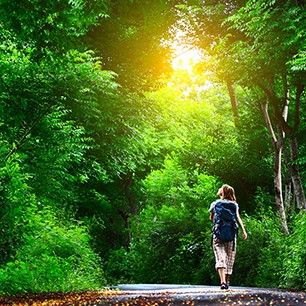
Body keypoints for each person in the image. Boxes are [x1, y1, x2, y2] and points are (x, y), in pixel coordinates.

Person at [209, 184, 247, 290]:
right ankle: (227, 280)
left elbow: (211, 218)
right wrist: (244, 231)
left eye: (221, 188)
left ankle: (223, 282)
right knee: (230, 258)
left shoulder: (215, 203)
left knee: (220, 258)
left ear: (223, 192)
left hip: (218, 235)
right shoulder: (234, 205)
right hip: (231, 235)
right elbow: (238, 218)